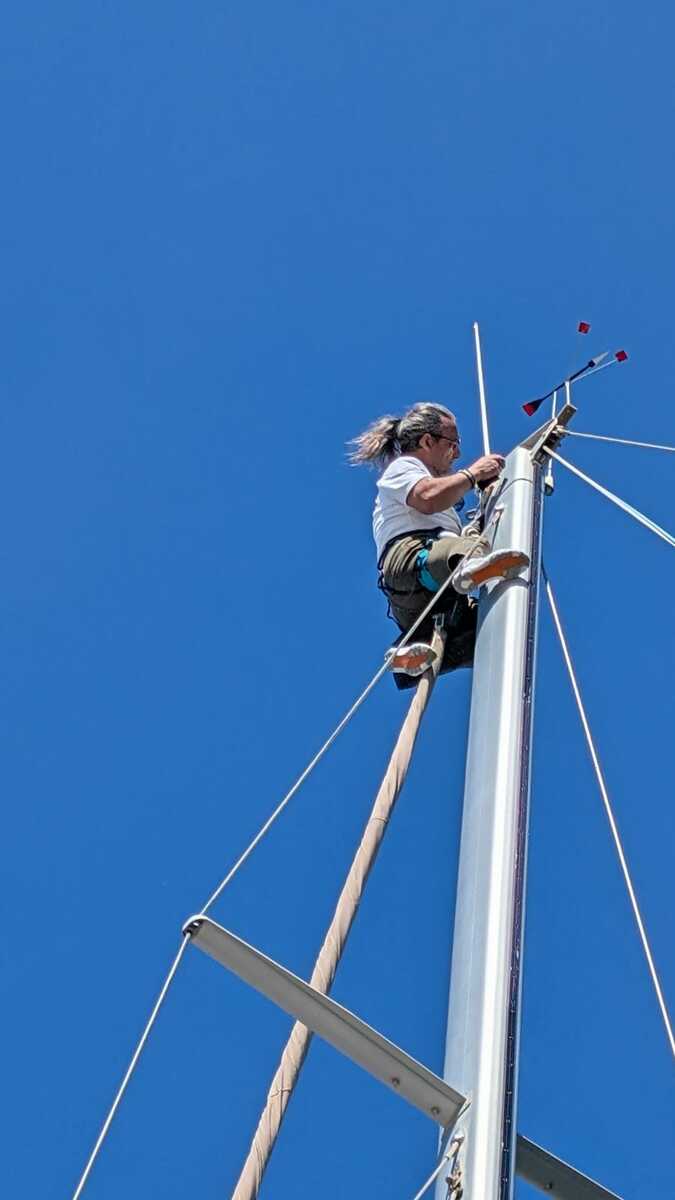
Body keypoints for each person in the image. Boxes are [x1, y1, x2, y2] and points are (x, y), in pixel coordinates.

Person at [349, 402, 529, 674]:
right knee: (469, 550)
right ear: (426, 440)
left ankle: (410, 651)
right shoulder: (405, 468)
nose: (456, 454)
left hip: (425, 602)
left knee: (488, 630)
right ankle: (466, 567)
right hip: (413, 561)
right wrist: (472, 474)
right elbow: (427, 498)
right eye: (452, 444)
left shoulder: (441, 498)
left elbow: (443, 507)